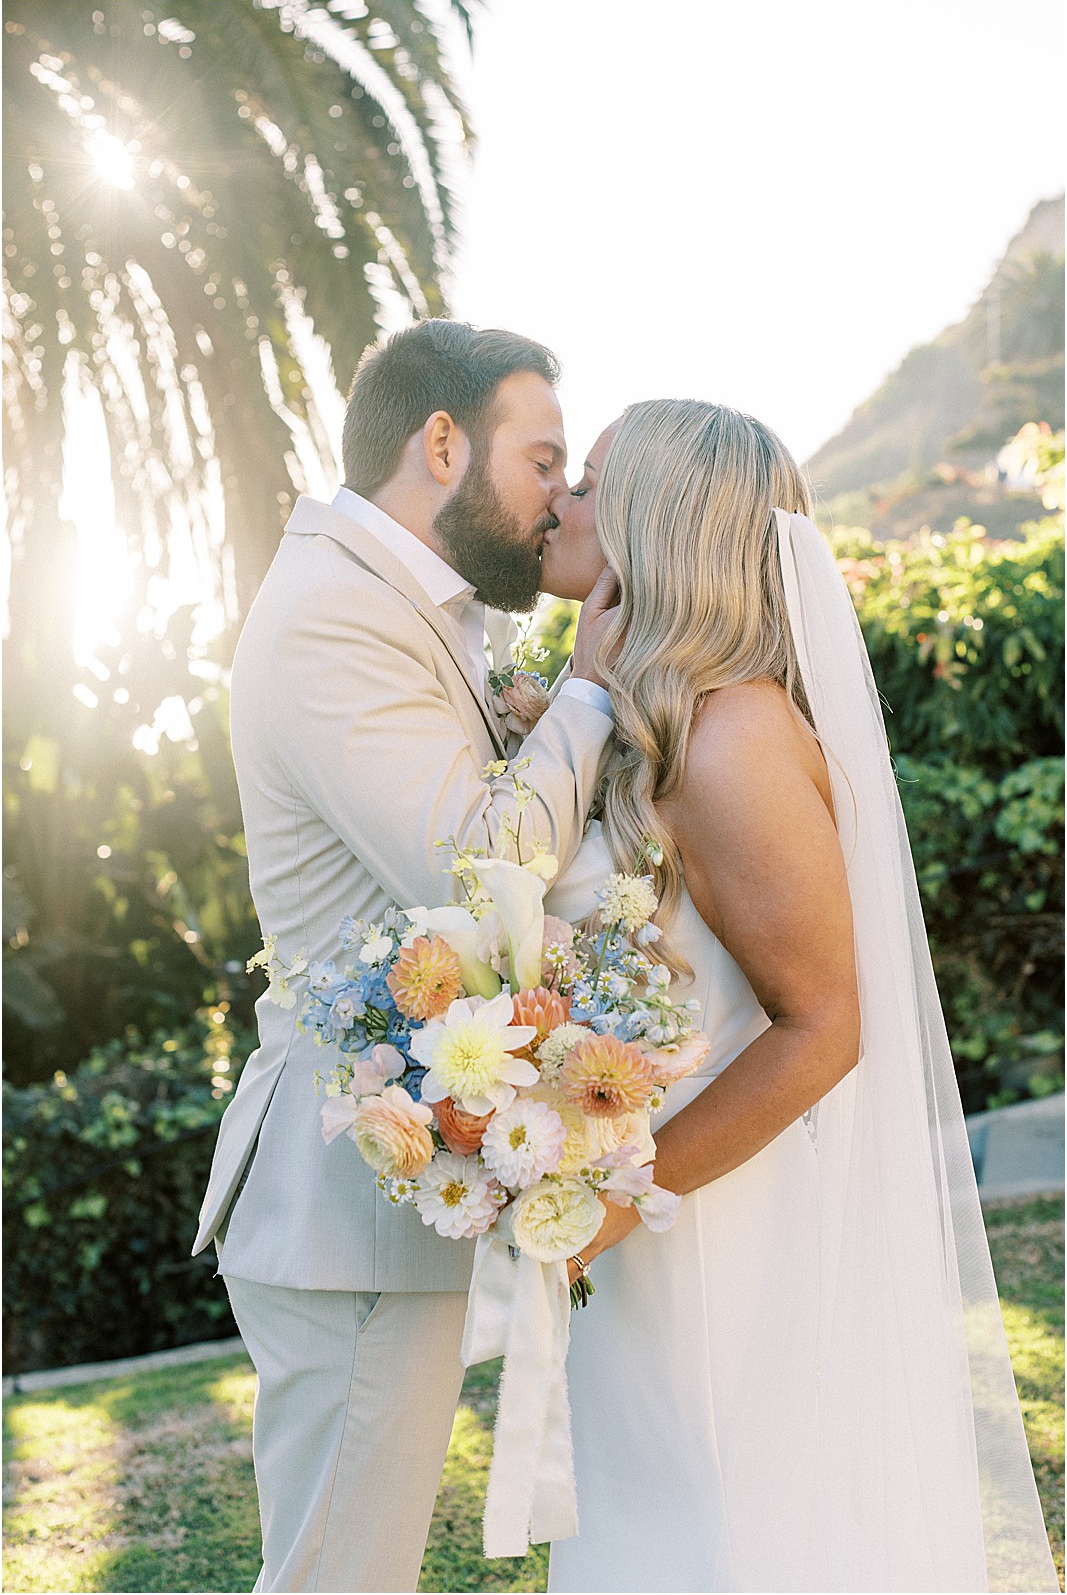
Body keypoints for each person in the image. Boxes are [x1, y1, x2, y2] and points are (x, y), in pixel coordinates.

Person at [538, 400, 1059, 1593]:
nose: (563, 498)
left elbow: (824, 1025)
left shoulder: (731, 738)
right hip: (658, 1222)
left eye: (592, 481)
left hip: (718, 1226)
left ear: (653, 524)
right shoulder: (648, 722)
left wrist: (615, 1203)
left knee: (722, 1537)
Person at [192, 319, 620, 1594]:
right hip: (343, 1205)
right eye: (540, 460)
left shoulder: (397, 603)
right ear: (441, 442)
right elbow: (476, 866)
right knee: (337, 1575)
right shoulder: (334, 614)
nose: (557, 498)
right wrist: (588, 695)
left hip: (372, 1201)